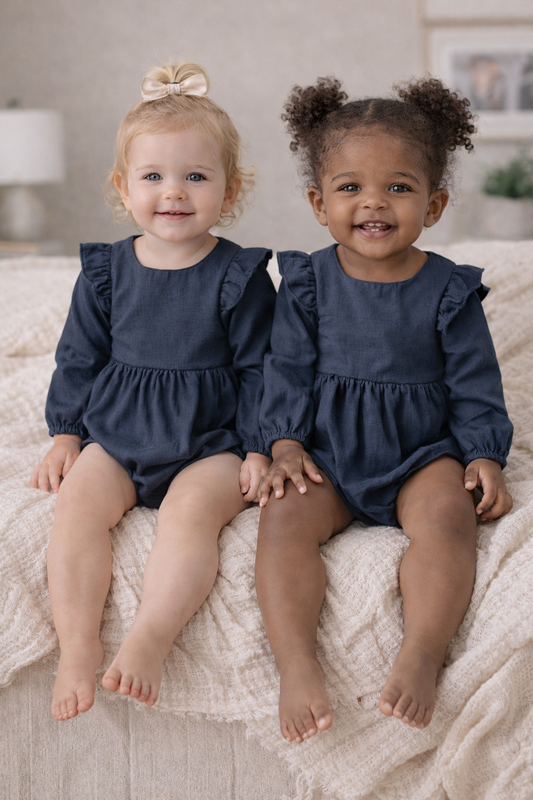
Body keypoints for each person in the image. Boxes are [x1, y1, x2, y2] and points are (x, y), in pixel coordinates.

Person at [256, 76, 514, 743]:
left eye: (398, 186)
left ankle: (422, 652)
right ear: (318, 203)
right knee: (281, 522)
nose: (373, 201)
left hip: (420, 453)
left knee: (449, 521)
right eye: (350, 187)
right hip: (328, 453)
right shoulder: (307, 283)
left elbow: (474, 384)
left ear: (434, 203)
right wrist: (284, 443)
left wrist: (483, 453)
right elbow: (284, 370)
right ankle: (295, 665)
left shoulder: (448, 290)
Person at [31, 62, 275, 722]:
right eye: (153, 177)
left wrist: (259, 448)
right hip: (118, 434)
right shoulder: (106, 272)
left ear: (230, 189)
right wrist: (66, 434)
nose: (174, 192)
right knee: (77, 508)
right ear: (123, 187)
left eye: (196, 176)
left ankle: (150, 637)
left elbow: (262, 369)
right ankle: (78, 646)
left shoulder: (240, 274)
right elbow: (79, 357)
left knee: (188, 516)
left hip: (210, 442)